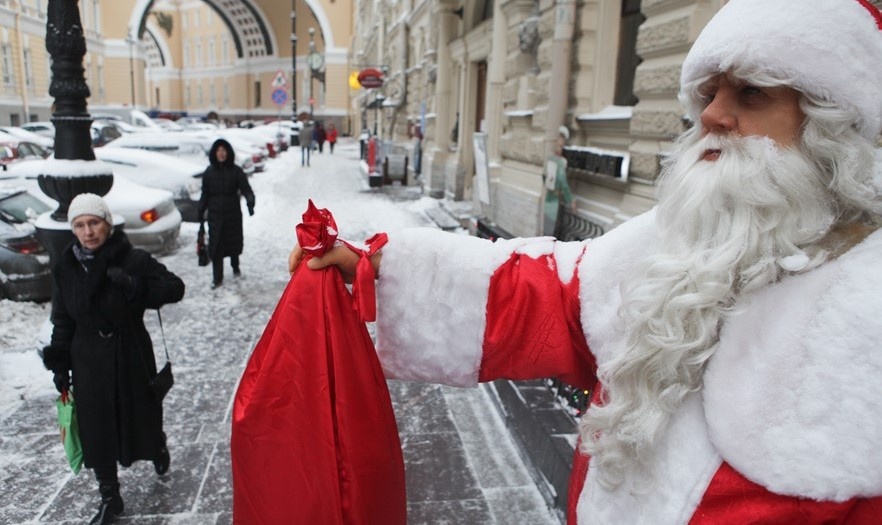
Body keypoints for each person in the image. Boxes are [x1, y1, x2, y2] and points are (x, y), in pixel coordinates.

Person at [291, 0, 882, 522]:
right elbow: (548, 297)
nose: (712, 116)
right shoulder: (686, 236)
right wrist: (373, 267)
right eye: (709, 93)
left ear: (835, 124)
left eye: (751, 93)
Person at [42, 193, 185, 525]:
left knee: (142, 415)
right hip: (88, 360)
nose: (88, 231)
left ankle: (157, 444)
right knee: (96, 427)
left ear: (107, 223)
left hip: (130, 353)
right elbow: (62, 319)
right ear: (73, 230)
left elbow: (174, 288)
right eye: (80, 225)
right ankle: (110, 495)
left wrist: (135, 286)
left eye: (94, 223)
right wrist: (60, 365)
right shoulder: (65, 269)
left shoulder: (132, 259)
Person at [199, 139, 255, 288]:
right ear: (214, 153)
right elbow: (204, 194)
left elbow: (246, 188)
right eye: (219, 150)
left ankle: (235, 265)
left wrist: (250, 201)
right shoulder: (209, 172)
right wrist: (200, 211)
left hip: (233, 215)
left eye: (224, 150)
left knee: (233, 243)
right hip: (215, 216)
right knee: (216, 245)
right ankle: (217, 278)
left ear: (228, 152)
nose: (221, 153)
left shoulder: (236, 171)